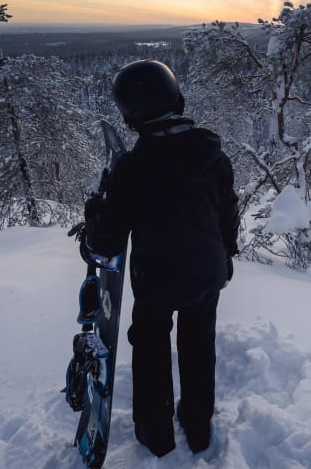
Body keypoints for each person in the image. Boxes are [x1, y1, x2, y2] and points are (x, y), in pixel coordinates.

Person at [83, 59, 239, 457]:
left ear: (132, 113)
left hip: (156, 280)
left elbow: (108, 238)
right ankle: (198, 427)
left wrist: (92, 220)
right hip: (208, 272)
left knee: (151, 345)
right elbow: (228, 213)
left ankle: (156, 433)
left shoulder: (135, 168)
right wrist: (227, 256)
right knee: (198, 344)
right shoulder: (215, 156)